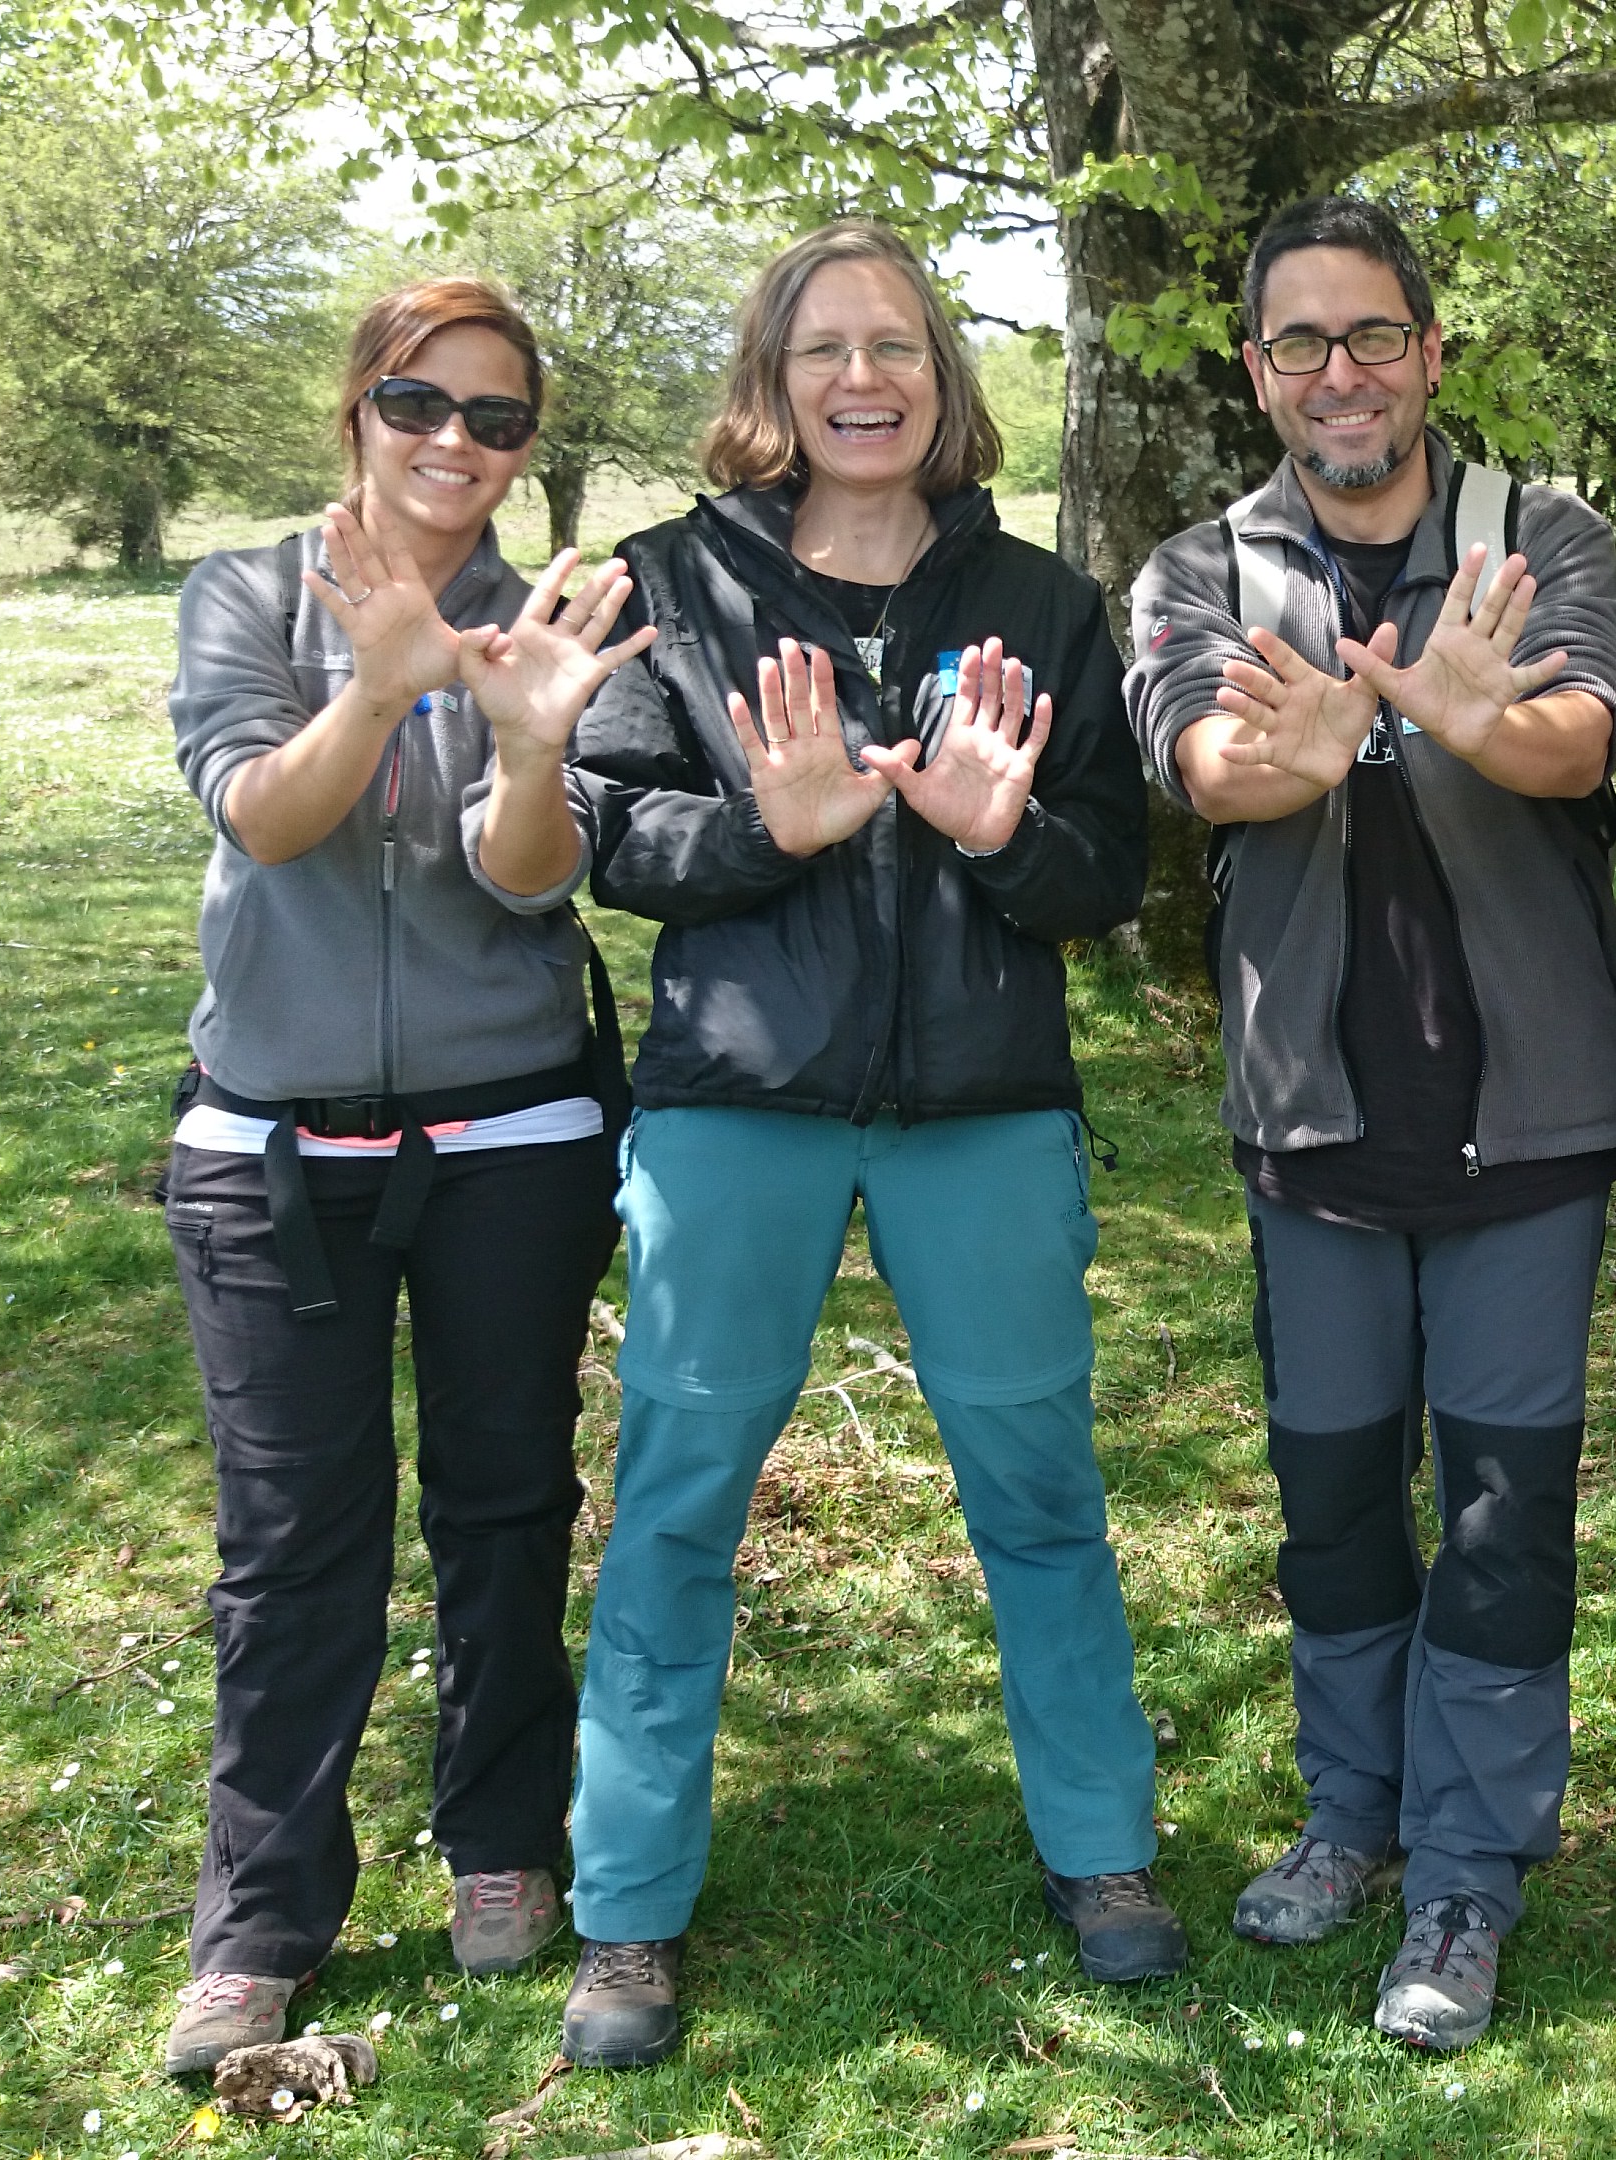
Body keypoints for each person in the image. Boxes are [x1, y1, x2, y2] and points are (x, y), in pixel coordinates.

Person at [555, 219, 1167, 2070]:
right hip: (738, 1108)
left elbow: (1107, 872)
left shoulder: (1048, 601)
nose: (862, 381)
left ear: (943, 377)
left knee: (1041, 1497)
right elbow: (611, 836)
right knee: (676, 1499)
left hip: (981, 1117)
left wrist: (996, 837)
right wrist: (774, 832)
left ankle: (1107, 1855)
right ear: (773, 380)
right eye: (824, 350)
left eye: (895, 345)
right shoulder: (678, 584)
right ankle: (628, 1909)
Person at [1122, 196, 1616, 2054]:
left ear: (1430, 351)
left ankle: (1468, 1875)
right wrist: (1296, 753)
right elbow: (1205, 761)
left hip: (1529, 1128)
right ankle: (1352, 1816)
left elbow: (1582, 737)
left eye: (1373, 337)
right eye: (1298, 346)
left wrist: (1472, 718)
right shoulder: (1198, 566)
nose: (1340, 374)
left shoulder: (1547, 538)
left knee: (1502, 1516)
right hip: (1315, 1133)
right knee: (1337, 1507)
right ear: (1259, 374)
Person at [156, 277, 653, 2073]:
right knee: (293, 1542)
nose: (456, 441)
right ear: (357, 407)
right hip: (270, 1147)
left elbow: (530, 883)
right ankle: (263, 1917)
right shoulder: (242, 591)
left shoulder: (552, 617)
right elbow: (262, 816)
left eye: (499, 418)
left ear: (528, 448)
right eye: (420, 401)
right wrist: (373, 691)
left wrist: (527, 737)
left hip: (510, 1139)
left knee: (509, 1505)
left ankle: (507, 1841)